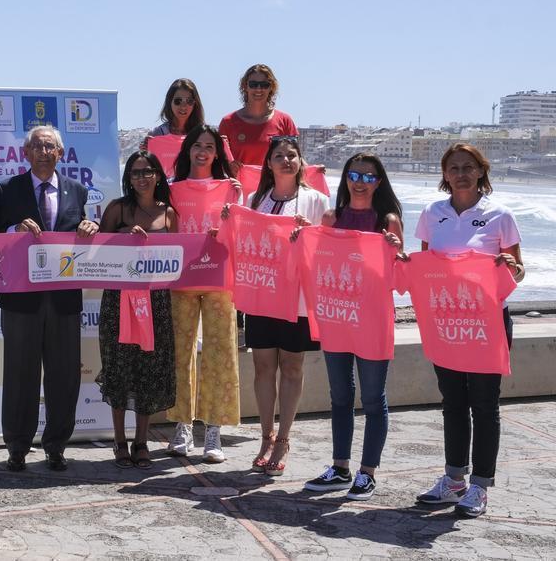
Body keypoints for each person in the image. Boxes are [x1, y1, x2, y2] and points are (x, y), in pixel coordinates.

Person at [412, 143, 523, 518]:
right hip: (446, 322)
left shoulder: (500, 215)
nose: (461, 173)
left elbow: (517, 273)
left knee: (484, 405)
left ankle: (480, 486)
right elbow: (428, 266)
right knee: (453, 404)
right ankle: (453, 479)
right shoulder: (432, 213)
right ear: (445, 174)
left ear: (480, 171)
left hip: (487, 324)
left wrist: (509, 265)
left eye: (468, 167)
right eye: (454, 167)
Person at [0, 125, 99, 471]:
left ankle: (56, 445)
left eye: (49, 146)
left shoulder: (78, 191)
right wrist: (14, 231)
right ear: (25, 154)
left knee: (64, 375)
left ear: (60, 153)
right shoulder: (8, 190)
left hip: (64, 301)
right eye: (36, 146)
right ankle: (17, 447)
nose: (42, 151)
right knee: (19, 375)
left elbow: (84, 234)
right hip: (21, 301)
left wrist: (90, 227)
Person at [220, 136, 326, 477]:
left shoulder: (317, 201)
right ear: (268, 163)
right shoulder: (256, 199)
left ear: (301, 162)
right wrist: (229, 218)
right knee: (263, 368)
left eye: (291, 155)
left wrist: (310, 235)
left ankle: (283, 439)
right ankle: (266, 437)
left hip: (295, 301)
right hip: (262, 295)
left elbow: (327, 250)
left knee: (292, 368)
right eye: (278, 155)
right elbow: (246, 240)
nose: (285, 160)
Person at [300, 153, 403, 500]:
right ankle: (340, 468)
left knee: (374, 399)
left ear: (378, 182)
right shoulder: (332, 217)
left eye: (369, 177)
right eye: (354, 175)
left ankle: (367, 473)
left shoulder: (387, 220)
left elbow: (399, 277)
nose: (360, 182)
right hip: (338, 317)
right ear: (345, 179)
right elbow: (315, 264)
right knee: (340, 397)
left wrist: (394, 252)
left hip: (372, 321)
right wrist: (299, 239)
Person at [166, 125, 243, 462]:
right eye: (197, 145)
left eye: (209, 146)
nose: (202, 151)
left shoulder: (231, 189)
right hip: (182, 279)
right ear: (188, 150)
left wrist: (235, 210)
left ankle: (213, 431)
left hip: (220, 280)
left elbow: (243, 234)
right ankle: (182, 425)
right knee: (180, 354)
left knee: (220, 354)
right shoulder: (172, 190)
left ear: (217, 153)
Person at [96, 151, 177, 469]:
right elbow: (97, 248)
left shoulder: (169, 213)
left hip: (156, 303)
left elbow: (178, 256)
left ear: (158, 175)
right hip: (119, 301)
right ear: (127, 179)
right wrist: (121, 236)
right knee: (119, 369)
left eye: (147, 171)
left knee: (148, 370)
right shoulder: (118, 208)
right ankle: (119, 441)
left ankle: (141, 441)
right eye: (135, 172)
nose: (141, 177)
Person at [218, 64, 299, 172]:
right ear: (245, 87)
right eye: (253, 84)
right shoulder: (228, 122)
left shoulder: (285, 121)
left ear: (271, 88)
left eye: (264, 85)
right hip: (239, 187)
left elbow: (297, 158)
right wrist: (228, 167)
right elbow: (217, 161)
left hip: (274, 187)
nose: (258, 89)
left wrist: (315, 171)